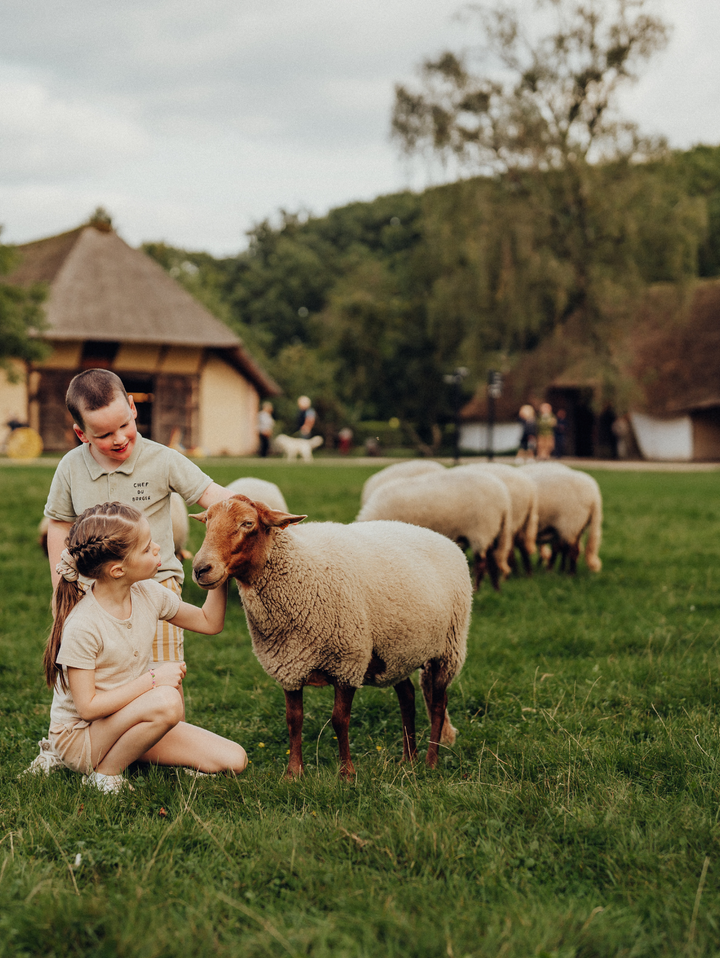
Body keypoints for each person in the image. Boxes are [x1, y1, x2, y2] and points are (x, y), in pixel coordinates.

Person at [43, 369, 232, 700]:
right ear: (81, 433)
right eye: (103, 434)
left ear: (133, 407)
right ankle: (112, 745)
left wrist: (252, 513)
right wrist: (62, 584)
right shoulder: (71, 468)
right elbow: (58, 523)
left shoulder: (163, 459)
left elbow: (213, 495)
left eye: (123, 426)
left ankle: (162, 748)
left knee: (163, 684)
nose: (118, 438)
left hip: (158, 588)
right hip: (95, 592)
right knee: (107, 682)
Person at [36, 502, 246, 792]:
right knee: (167, 701)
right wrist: (153, 681)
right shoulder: (83, 625)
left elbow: (209, 622)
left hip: (129, 720)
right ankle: (105, 774)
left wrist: (221, 564)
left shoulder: (148, 593)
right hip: (81, 739)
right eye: (147, 548)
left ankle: (129, 752)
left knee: (234, 759)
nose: (157, 549)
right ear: (118, 570)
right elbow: (88, 707)